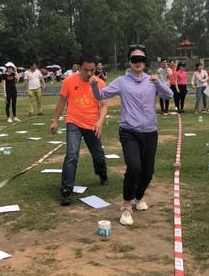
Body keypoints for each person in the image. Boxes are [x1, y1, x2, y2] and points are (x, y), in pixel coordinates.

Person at [90, 45, 173, 226]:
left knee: (148, 172)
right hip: (129, 131)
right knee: (134, 167)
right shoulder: (121, 81)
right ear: (129, 61)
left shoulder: (152, 80)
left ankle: (138, 197)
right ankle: (126, 206)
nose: (138, 62)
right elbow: (100, 96)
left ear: (145, 62)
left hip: (150, 132)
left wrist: (158, 83)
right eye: (134, 59)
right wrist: (94, 85)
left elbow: (169, 94)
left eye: (141, 59)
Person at [50, 55, 108, 206]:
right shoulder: (69, 81)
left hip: (92, 124)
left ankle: (102, 173)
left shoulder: (100, 83)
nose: (89, 73)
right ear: (79, 68)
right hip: (73, 122)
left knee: (98, 155)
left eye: (92, 70)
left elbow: (103, 106)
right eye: (85, 70)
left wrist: (100, 122)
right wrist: (55, 120)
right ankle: (66, 191)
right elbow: (62, 102)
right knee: (72, 154)